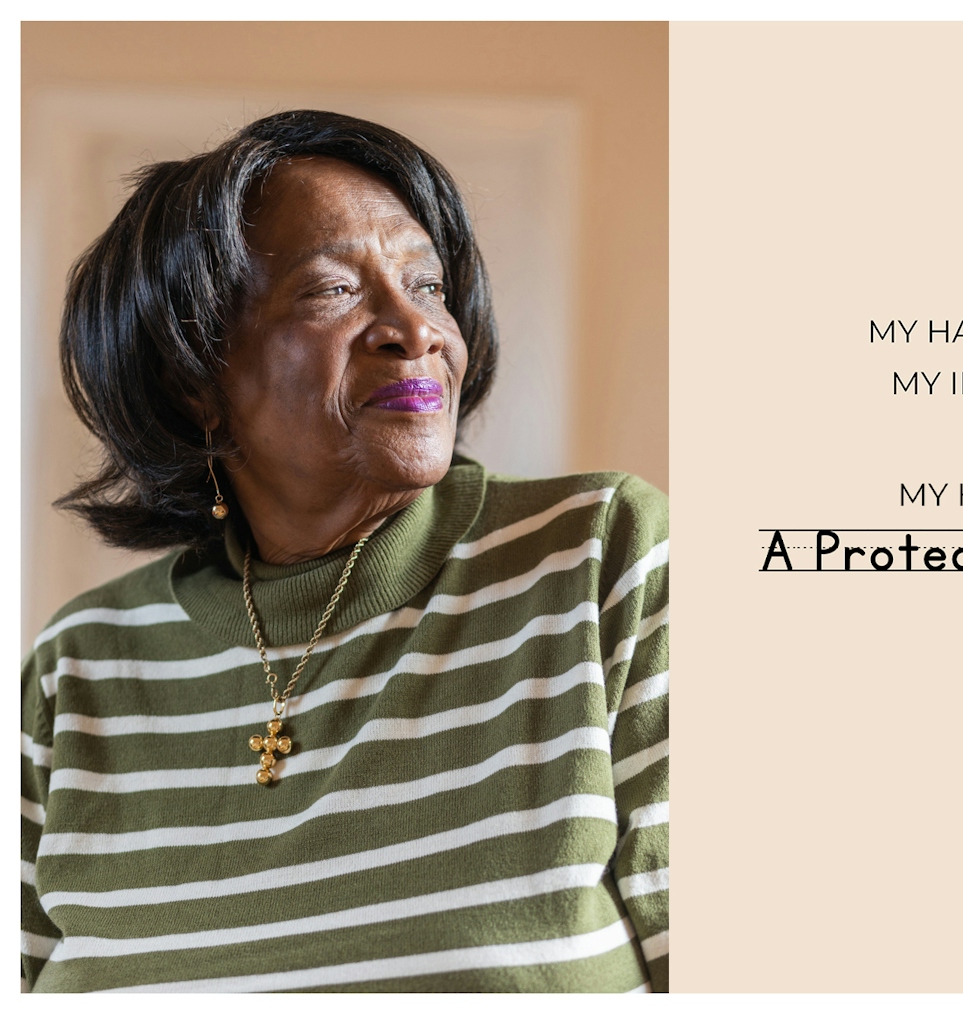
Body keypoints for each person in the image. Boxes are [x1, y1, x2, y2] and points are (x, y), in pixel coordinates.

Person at [20, 110, 668, 993]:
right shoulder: (78, 672)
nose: (415, 329)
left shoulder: (597, 558)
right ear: (193, 379)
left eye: (428, 284)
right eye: (333, 290)